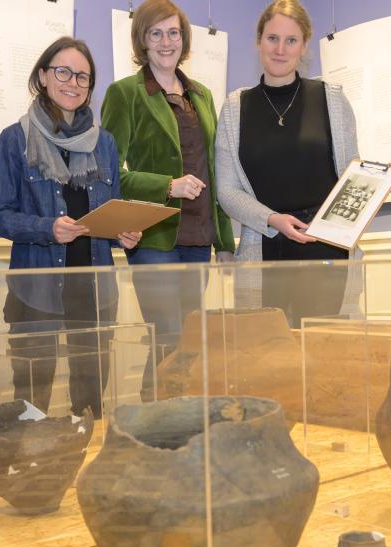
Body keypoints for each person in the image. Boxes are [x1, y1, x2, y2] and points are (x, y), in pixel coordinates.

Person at [215, 0, 391, 322]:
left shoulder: (330, 98)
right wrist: (274, 219)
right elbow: (227, 191)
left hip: (326, 248)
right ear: (259, 40)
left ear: (304, 46)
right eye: (272, 38)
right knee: (269, 356)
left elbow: (351, 172)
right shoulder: (235, 108)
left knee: (325, 354)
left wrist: (381, 181)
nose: (280, 49)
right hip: (265, 246)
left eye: (291, 40)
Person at [0, 37, 141, 418]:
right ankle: (31, 473)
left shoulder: (104, 143)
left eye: (83, 77)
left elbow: (111, 209)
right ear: (42, 75)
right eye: (63, 71)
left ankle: (88, 469)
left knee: (89, 405)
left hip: (94, 289)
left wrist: (124, 234)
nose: (72, 82)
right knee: (31, 401)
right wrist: (47, 228)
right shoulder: (14, 139)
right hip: (36, 289)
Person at [101, 0, 235, 400]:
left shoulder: (203, 96)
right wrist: (167, 185)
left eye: (173, 32)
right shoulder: (124, 93)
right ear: (142, 40)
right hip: (154, 237)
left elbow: (216, 171)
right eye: (155, 33)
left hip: (198, 235)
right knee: (167, 336)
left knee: (187, 342)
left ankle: (171, 423)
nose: (165, 41)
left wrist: (225, 242)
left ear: (184, 38)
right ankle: (152, 423)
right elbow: (110, 175)